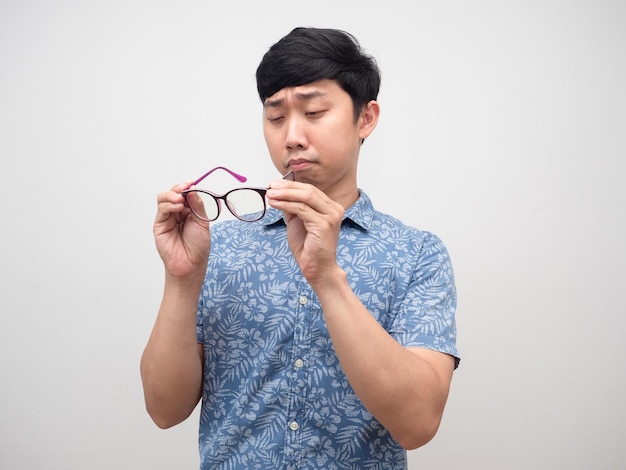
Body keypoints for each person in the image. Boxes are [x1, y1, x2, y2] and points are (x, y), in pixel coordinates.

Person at [141, 27, 460, 469]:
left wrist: (327, 279)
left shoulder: (417, 254)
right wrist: (181, 281)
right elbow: (163, 410)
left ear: (366, 117)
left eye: (314, 111)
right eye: (275, 117)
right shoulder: (219, 247)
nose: (291, 136)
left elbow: (418, 423)